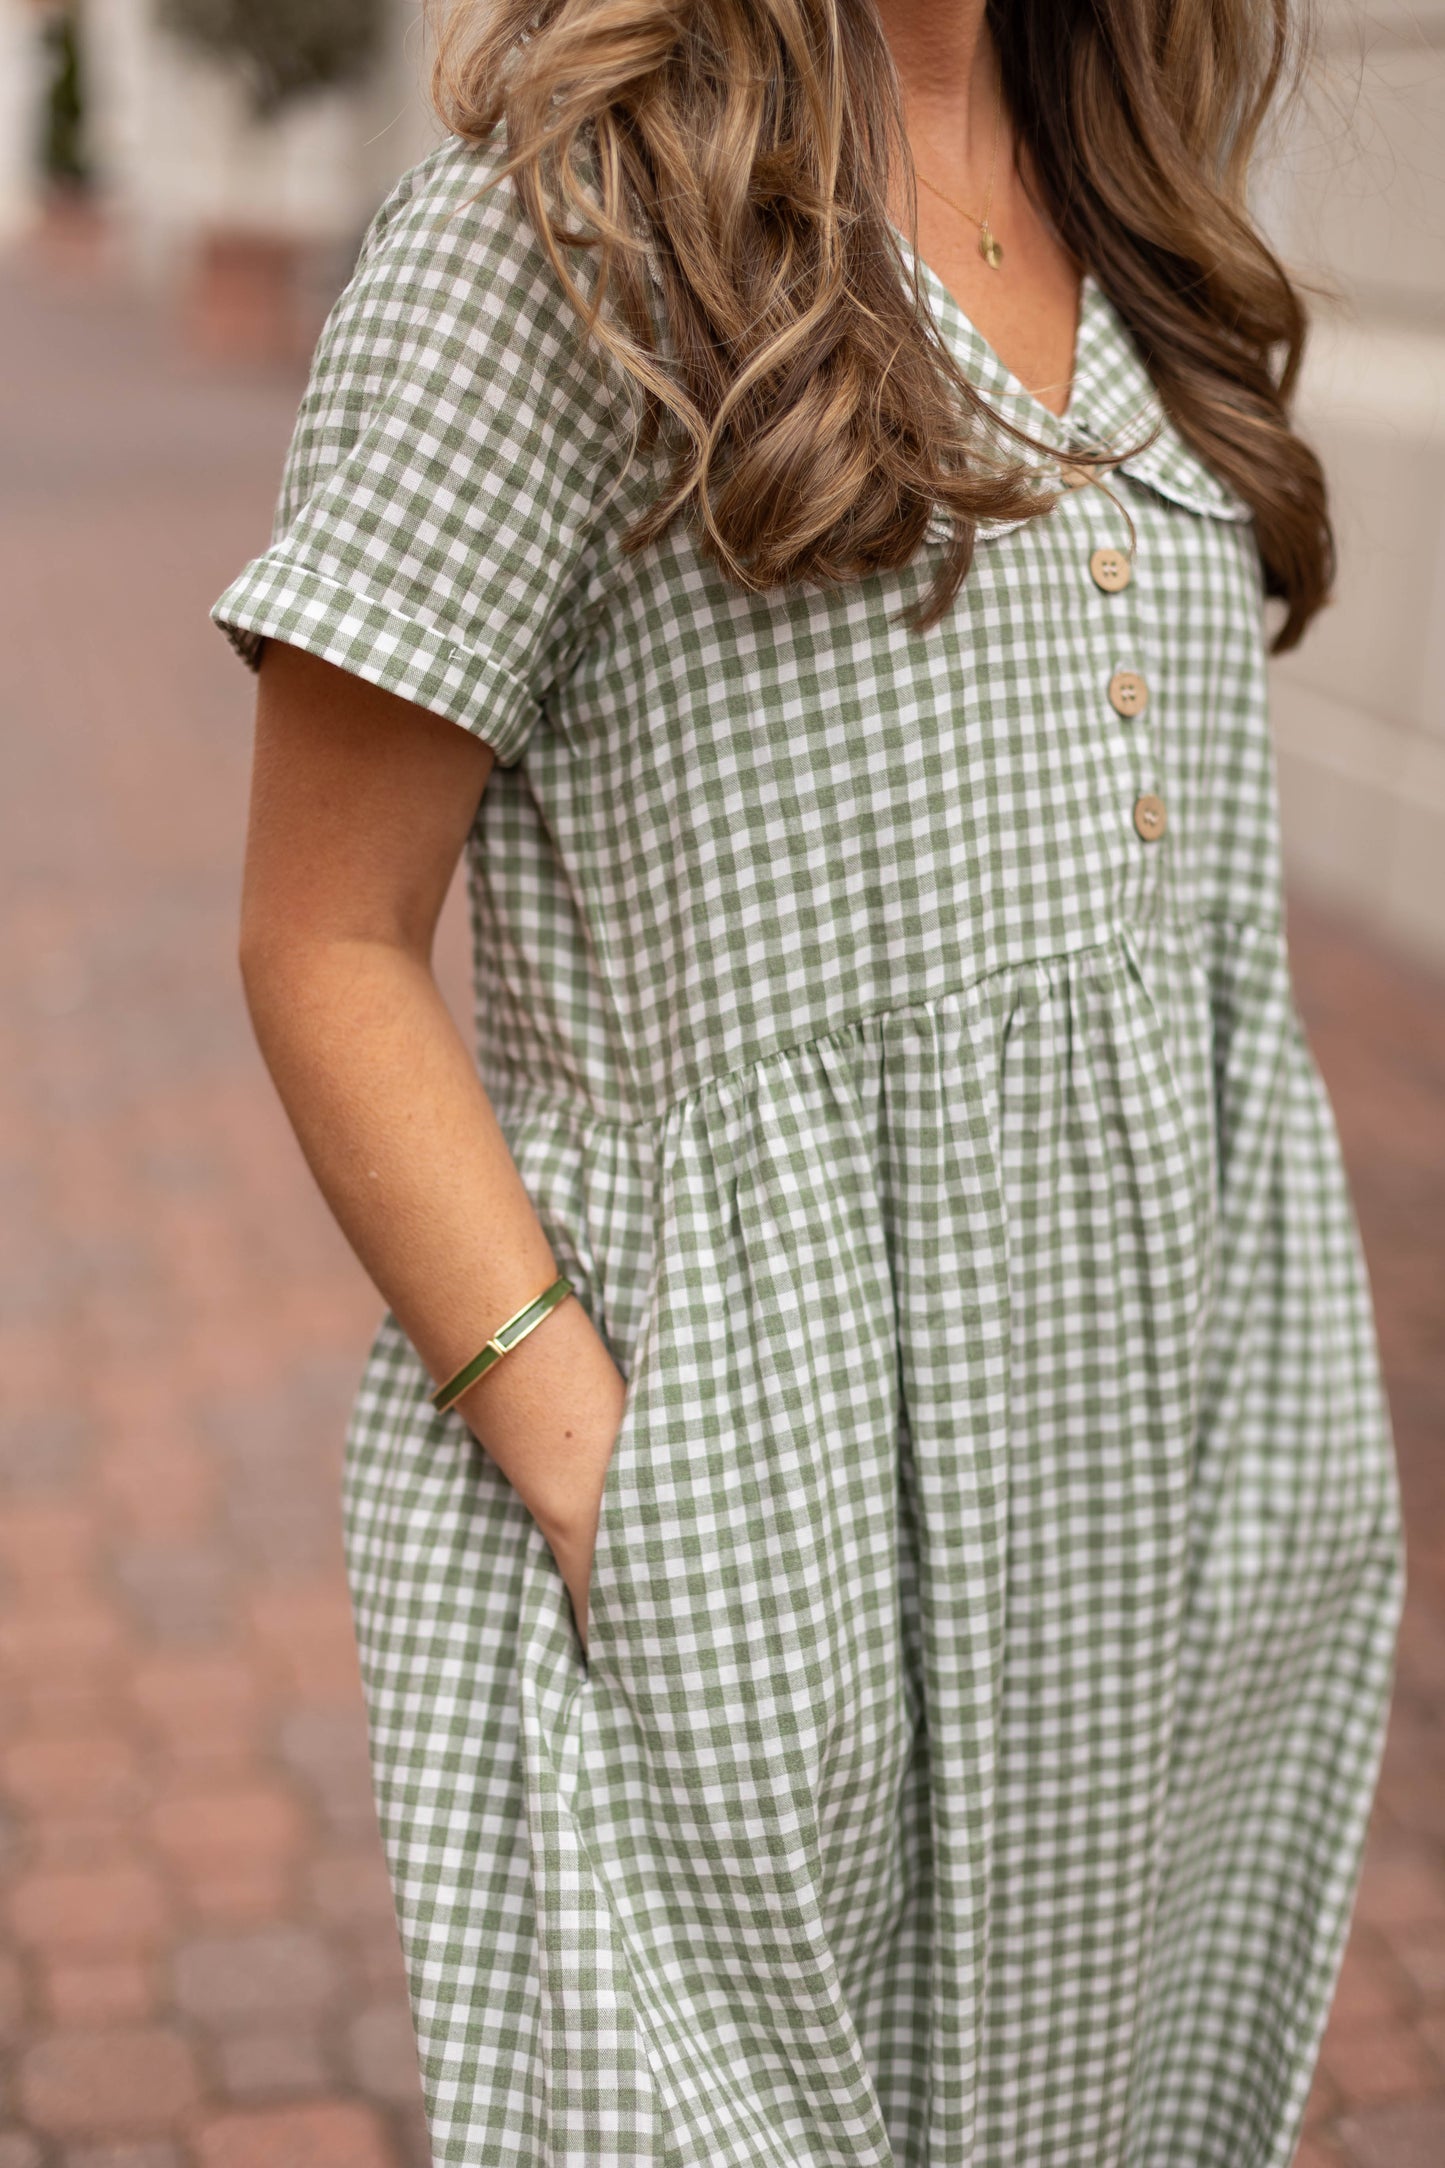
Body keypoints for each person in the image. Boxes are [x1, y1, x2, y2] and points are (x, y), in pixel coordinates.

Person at [211, 1, 1407, 2161]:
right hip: (773, 1513)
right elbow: (324, 934)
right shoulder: (551, 247)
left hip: (1162, 1504)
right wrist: (598, 1469)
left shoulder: (1144, 221)